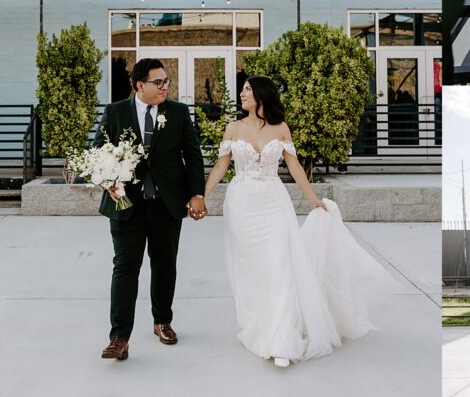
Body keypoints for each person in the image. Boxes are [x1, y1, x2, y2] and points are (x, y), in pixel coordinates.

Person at [204, 76, 396, 367]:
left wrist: (314, 200)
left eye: (247, 89)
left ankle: (282, 338)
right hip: (242, 205)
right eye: (242, 89)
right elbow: (221, 166)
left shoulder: (281, 128)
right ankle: (260, 325)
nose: (242, 93)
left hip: (273, 204)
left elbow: (294, 167)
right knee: (252, 269)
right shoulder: (233, 128)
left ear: (262, 95)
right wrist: (201, 196)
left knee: (279, 265)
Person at [96, 58, 206, 360]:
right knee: (125, 269)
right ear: (139, 85)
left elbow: (193, 156)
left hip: (166, 205)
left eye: (167, 81)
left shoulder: (178, 113)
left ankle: (162, 321)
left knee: (164, 266)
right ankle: (119, 338)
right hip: (125, 205)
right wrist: (109, 183)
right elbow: (99, 154)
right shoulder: (115, 112)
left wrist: (197, 193)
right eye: (158, 82)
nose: (165, 87)